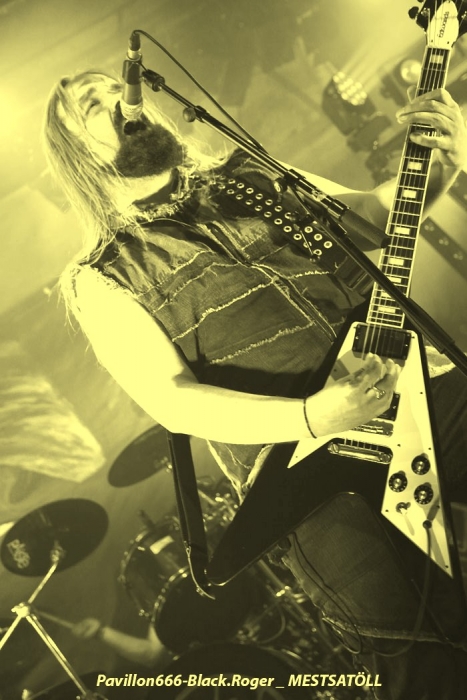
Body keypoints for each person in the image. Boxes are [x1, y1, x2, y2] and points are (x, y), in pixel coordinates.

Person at [43, 67, 467, 699]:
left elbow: (374, 217)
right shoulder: (102, 275)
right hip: (309, 476)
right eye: (93, 106)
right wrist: (313, 416)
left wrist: (447, 160)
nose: (122, 103)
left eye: (118, 89)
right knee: (425, 661)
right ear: (79, 154)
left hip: (423, 390)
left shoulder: (251, 175)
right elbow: (173, 400)